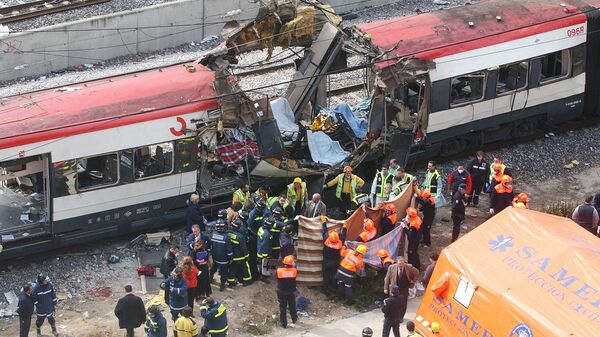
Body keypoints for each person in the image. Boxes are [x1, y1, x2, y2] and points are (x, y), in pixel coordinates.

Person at [384, 257, 419, 321]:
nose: (401, 265)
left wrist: (413, 281)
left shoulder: (409, 267)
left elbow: (417, 273)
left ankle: (401, 317)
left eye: (402, 263)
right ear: (397, 263)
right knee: (393, 303)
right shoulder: (391, 267)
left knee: (403, 304)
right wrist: (385, 288)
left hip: (404, 289)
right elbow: (387, 278)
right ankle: (393, 316)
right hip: (394, 289)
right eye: (399, 263)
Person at [322, 217, 346, 295]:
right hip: (335, 262)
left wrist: (324, 222)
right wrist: (345, 227)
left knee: (326, 276)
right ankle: (333, 289)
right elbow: (343, 235)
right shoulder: (339, 243)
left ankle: (326, 291)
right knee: (333, 276)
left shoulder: (326, 241)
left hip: (326, 262)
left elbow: (324, 231)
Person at [209, 217, 233, 291]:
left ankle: (210, 279)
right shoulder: (226, 237)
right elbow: (229, 250)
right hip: (224, 260)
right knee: (223, 273)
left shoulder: (213, 234)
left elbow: (210, 247)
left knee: (213, 268)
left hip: (215, 258)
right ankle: (222, 285)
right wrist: (230, 258)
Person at [227, 218, 253, 286]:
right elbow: (243, 248)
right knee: (245, 267)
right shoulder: (240, 237)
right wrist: (247, 256)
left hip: (232, 256)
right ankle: (247, 281)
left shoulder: (228, 233)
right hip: (240, 257)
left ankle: (231, 282)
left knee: (232, 269)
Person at [32, 272, 58, 337]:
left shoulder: (49, 285)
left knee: (51, 319)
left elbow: (53, 294)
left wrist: (54, 303)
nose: (47, 281)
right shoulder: (36, 288)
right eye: (45, 280)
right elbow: (34, 298)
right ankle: (38, 332)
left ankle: (54, 330)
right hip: (41, 309)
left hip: (49, 306)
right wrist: (38, 305)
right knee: (40, 321)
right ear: (41, 281)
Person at [277, 255, 299, 328]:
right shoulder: (294, 271)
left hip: (281, 291)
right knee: (292, 305)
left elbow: (276, 277)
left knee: (283, 307)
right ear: (292, 263)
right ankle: (294, 319)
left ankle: (283, 324)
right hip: (291, 291)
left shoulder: (279, 271)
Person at [257, 217, 274, 281]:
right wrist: (265, 256)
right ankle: (263, 277)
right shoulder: (267, 235)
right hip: (264, 253)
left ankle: (262, 275)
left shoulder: (261, 229)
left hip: (259, 250)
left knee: (261, 265)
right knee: (264, 265)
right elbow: (265, 246)